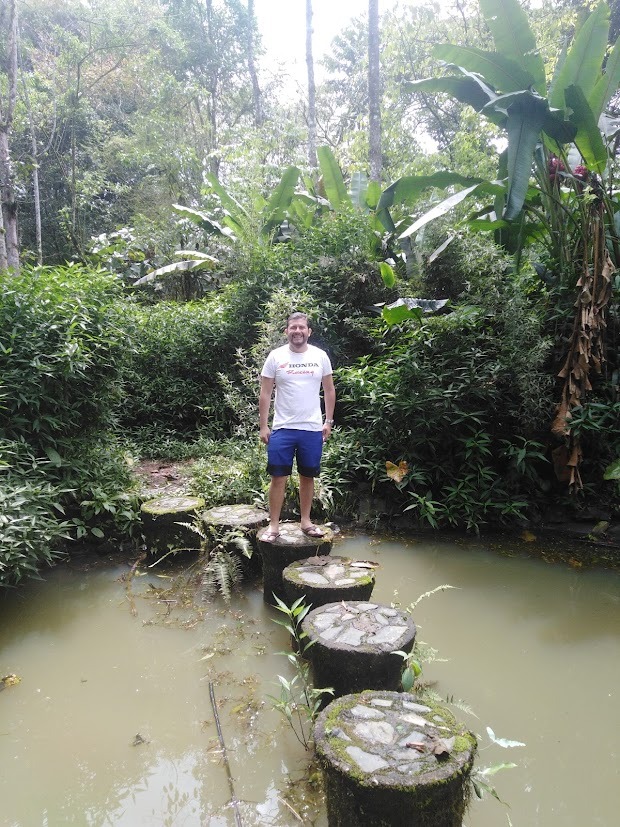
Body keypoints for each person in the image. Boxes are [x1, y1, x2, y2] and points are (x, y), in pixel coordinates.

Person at [259, 311, 336, 541]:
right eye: (293, 328)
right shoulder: (275, 357)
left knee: (307, 476)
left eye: (301, 327)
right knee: (278, 477)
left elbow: (329, 390)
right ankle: (274, 526)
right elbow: (265, 392)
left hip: (312, 428)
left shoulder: (320, 356)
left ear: (309, 331)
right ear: (286, 331)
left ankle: (306, 522)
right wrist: (263, 426)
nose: (297, 331)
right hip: (282, 427)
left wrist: (328, 421)